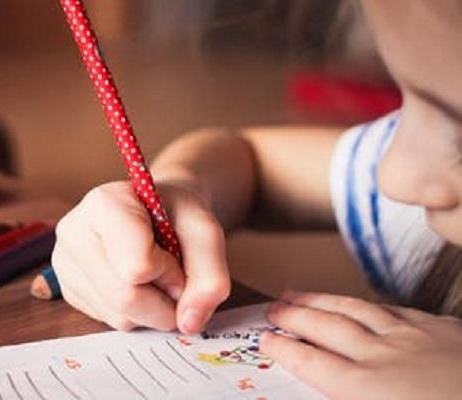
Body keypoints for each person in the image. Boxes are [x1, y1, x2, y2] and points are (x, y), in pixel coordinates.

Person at [51, 1, 462, 399]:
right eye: (403, 103)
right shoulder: (420, 186)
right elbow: (250, 161)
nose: (392, 176)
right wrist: (182, 191)